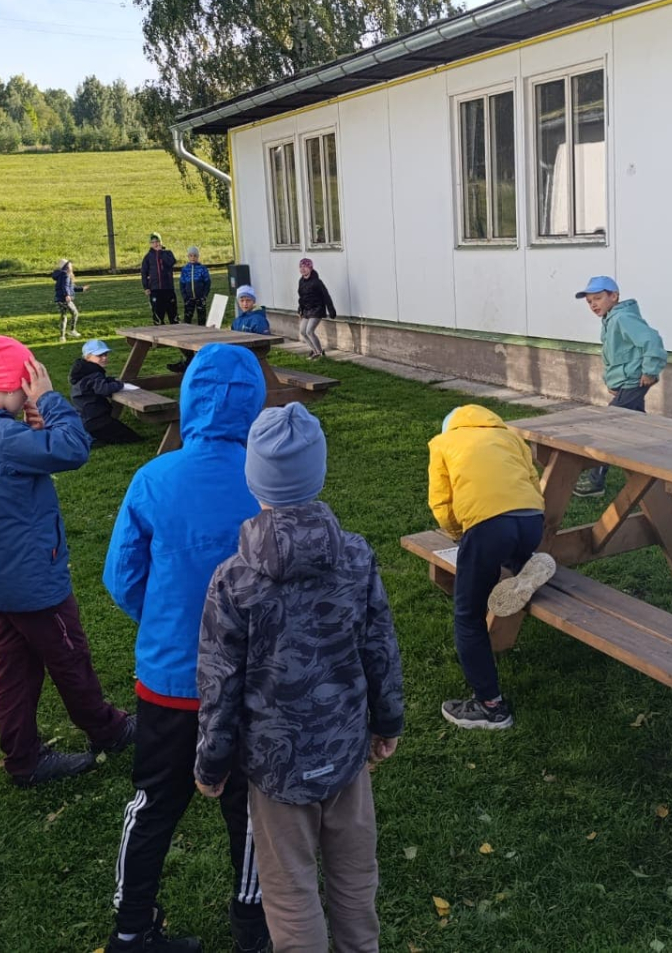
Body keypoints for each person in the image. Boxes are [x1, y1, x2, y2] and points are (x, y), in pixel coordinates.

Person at [195, 401, 404, 953]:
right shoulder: (356, 557)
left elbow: (219, 684)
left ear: (253, 480)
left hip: (275, 767)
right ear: (319, 473)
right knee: (355, 880)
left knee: (289, 895)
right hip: (345, 752)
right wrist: (388, 722)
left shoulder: (232, 580)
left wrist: (211, 762)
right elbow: (380, 649)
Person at [100, 344, 270, 953]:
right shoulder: (267, 483)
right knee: (251, 808)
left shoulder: (154, 478)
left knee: (152, 802)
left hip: (169, 678)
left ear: (190, 398)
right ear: (255, 404)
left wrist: (166, 622)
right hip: (249, 679)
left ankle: (130, 928)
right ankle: (252, 926)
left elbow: (122, 576)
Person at [0, 334, 134, 787]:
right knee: (69, 655)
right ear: (11, 384)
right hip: (32, 579)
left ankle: (23, 758)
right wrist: (48, 400)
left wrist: (32, 421)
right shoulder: (1, 436)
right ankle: (107, 728)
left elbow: (22, 454)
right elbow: (74, 448)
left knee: (14, 668)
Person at [427, 404, 553, 731]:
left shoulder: (442, 443)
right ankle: (526, 564)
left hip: (487, 526)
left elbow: (441, 501)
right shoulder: (510, 437)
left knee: (468, 615)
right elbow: (532, 479)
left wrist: (459, 535)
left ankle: (490, 706)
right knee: (509, 546)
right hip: (531, 519)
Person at [573, 276, 667, 498]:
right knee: (637, 426)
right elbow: (614, 356)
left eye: (598, 298)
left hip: (635, 381)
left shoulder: (622, 318)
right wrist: (613, 382)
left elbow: (652, 340)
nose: (593, 305)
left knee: (609, 425)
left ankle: (596, 482)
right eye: (589, 302)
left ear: (614, 296)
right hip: (626, 382)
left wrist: (650, 370)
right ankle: (654, 470)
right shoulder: (610, 320)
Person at [70, 339, 144, 446]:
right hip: (97, 420)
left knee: (115, 433)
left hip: (86, 418)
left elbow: (95, 384)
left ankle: (93, 437)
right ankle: (93, 439)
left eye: (105, 354)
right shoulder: (94, 374)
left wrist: (110, 380)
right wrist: (121, 385)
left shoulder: (83, 371)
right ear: (88, 357)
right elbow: (103, 389)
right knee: (132, 438)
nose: (104, 358)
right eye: (99, 355)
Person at [295, 258, 336, 359]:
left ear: (310, 268)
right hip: (306, 310)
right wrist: (300, 308)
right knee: (303, 331)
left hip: (317, 309)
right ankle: (314, 351)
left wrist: (331, 310)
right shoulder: (301, 281)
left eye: (305, 267)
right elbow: (302, 297)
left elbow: (326, 296)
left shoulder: (317, 282)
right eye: (301, 267)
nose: (302, 269)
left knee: (309, 331)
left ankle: (320, 353)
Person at [140, 233, 178, 326]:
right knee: (158, 315)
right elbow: (144, 273)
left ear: (161, 242)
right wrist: (146, 287)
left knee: (173, 314)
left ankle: (176, 331)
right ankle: (159, 332)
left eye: (157, 241)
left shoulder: (168, 253)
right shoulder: (148, 257)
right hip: (155, 289)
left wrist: (161, 253)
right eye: (153, 242)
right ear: (150, 244)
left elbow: (171, 262)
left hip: (168, 288)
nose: (155, 244)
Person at [52, 259, 89, 342]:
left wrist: (82, 289)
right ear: (67, 266)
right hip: (65, 299)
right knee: (75, 313)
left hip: (59, 299)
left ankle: (62, 337)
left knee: (63, 316)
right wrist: (67, 295)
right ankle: (72, 330)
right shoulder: (65, 274)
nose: (71, 266)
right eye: (70, 265)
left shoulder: (61, 275)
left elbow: (71, 287)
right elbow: (65, 286)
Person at [179, 246, 212, 326]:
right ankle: (187, 332)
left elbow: (207, 283)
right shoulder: (185, 269)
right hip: (189, 298)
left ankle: (202, 331)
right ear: (188, 257)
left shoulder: (202, 268)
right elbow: (182, 284)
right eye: (191, 256)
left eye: (195, 256)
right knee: (187, 317)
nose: (193, 258)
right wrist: (185, 296)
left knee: (202, 317)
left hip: (200, 298)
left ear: (198, 256)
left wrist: (204, 296)